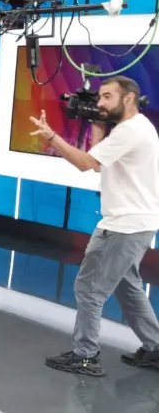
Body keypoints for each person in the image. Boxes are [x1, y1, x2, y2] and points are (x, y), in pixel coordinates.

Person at [31, 76, 159, 377]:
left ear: (128, 98)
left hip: (123, 227)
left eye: (107, 96)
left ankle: (85, 356)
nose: (100, 102)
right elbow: (100, 164)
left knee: (89, 288)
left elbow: (85, 163)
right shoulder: (136, 128)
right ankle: (155, 348)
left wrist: (52, 136)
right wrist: (98, 129)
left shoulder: (129, 131)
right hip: (137, 224)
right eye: (99, 97)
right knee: (127, 288)